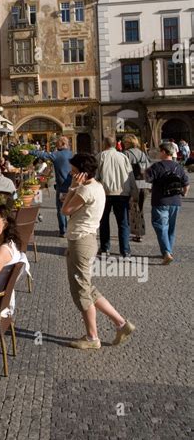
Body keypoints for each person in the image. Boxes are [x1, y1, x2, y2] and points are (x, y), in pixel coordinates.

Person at [61, 153, 135, 350]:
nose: (71, 173)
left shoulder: (85, 191)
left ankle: (92, 337)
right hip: (86, 240)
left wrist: (72, 188)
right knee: (87, 287)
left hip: (81, 241)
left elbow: (65, 210)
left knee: (81, 291)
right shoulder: (97, 186)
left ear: (82, 173)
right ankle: (121, 323)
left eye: (74, 171)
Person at [144, 142, 189, 264]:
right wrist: (184, 194)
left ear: (164, 152)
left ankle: (166, 252)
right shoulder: (178, 167)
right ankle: (168, 250)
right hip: (175, 201)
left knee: (160, 226)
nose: (159, 153)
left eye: (160, 151)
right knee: (171, 227)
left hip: (160, 201)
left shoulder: (157, 166)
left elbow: (147, 179)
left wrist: (145, 171)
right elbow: (186, 184)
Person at [22, 135, 73, 237]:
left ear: (63, 144)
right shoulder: (72, 154)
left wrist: (29, 151)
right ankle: (72, 230)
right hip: (73, 186)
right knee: (72, 209)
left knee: (61, 210)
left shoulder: (57, 154)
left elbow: (43, 155)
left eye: (57, 143)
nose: (56, 145)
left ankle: (63, 231)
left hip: (62, 187)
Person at [96, 136, 138, 257]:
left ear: (104, 144)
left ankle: (105, 248)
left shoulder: (100, 156)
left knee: (104, 222)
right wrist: (134, 193)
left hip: (105, 194)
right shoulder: (123, 157)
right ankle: (125, 251)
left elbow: (96, 176)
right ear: (115, 144)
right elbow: (131, 176)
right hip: (122, 194)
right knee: (123, 223)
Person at [122, 134, 151, 243]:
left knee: (133, 209)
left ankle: (137, 233)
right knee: (140, 208)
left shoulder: (126, 154)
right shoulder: (142, 154)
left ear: (128, 143)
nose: (124, 144)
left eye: (125, 142)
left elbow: (124, 171)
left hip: (133, 185)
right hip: (143, 184)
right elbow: (148, 169)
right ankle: (139, 232)